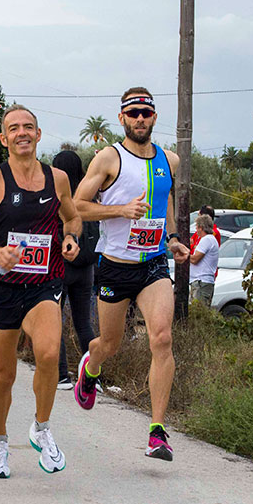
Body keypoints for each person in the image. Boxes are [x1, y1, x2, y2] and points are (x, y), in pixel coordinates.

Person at [0, 106, 80, 478]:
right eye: (14, 128)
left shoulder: (57, 179)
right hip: (3, 286)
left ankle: (41, 429)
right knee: (3, 375)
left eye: (29, 127)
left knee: (48, 353)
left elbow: (72, 216)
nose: (22, 133)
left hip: (44, 282)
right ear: (4, 138)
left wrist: (71, 238)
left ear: (39, 135)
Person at [72, 88, 190, 461]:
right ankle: (91, 369)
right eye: (133, 113)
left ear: (154, 117)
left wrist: (172, 238)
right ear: (122, 118)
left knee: (162, 339)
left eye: (146, 113)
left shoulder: (169, 160)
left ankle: (157, 431)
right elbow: (76, 206)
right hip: (115, 266)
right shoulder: (110, 158)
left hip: (153, 265)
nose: (140, 119)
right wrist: (120, 210)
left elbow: (165, 202)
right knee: (109, 344)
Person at [51, 150, 98, 391]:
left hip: (61, 266)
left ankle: (60, 376)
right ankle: (93, 376)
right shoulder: (88, 197)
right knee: (84, 324)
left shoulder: (59, 196)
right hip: (87, 268)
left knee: (55, 321)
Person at [189, 213, 219, 307]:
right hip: (201, 281)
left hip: (201, 282)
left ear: (201, 227)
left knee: (198, 312)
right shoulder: (210, 239)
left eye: (197, 227)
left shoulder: (206, 240)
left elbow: (195, 259)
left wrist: (184, 253)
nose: (196, 230)